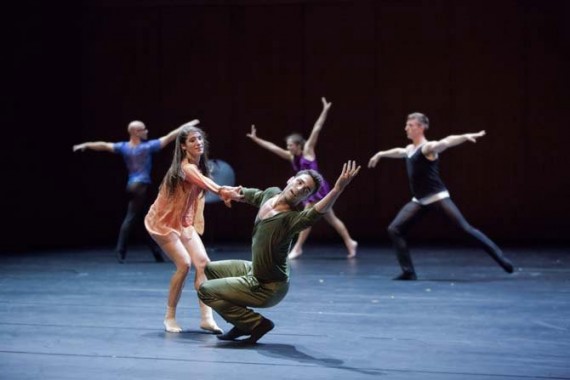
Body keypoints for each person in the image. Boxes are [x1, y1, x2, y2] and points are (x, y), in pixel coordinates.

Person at [198, 161, 361, 344]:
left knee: (206, 291)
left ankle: (256, 324)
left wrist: (337, 189)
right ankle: (241, 322)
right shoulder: (271, 193)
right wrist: (229, 192)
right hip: (255, 271)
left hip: (268, 287)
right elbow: (252, 195)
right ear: (290, 179)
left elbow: (315, 213)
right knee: (211, 269)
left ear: (306, 198)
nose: (300, 189)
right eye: (299, 183)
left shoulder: (292, 220)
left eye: (306, 190)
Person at [368, 112, 514, 280]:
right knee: (394, 229)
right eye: (406, 125)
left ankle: (501, 259)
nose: (406, 128)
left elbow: (445, 142)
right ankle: (408, 272)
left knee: (466, 229)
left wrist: (464, 136)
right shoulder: (410, 149)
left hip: (437, 197)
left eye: (410, 125)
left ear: (421, 128)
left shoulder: (427, 147)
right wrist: (380, 153)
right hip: (419, 200)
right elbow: (399, 151)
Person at [144, 124, 232, 334]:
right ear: (183, 146)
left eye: (200, 139)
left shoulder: (198, 167)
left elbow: (197, 196)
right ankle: (169, 317)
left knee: (203, 264)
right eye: (192, 140)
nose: (198, 143)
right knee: (184, 264)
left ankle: (206, 318)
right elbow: (208, 184)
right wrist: (224, 191)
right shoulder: (185, 168)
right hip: (162, 223)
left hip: (183, 222)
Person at [246, 97, 358, 259]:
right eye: (288, 146)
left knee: (307, 216)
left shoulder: (307, 151)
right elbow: (273, 148)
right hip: (305, 189)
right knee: (331, 218)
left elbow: (317, 128)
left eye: (291, 145)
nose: (288, 147)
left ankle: (297, 247)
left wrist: (325, 110)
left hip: (316, 188)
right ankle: (350, 242)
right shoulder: (291, 156)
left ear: (298, 145)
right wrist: (257, 140)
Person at [73, 119, 198, 263]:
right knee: (132, 217)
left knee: (146, 219)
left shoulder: (124, 147)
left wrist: (85, 145)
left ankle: (156, 253)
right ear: (135, 132)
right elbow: (170, 137)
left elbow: (103, 145)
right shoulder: (147, 147)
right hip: (140, 186)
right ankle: (120, 251)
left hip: (132, 186)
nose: (146, 131)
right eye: (143, 130)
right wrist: (185, 127)